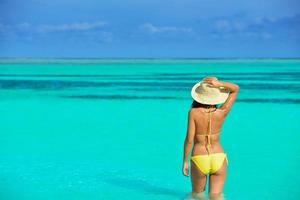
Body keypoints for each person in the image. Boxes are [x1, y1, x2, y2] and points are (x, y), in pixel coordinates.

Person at [182, 76, 240, 200]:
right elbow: (236, 89)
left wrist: (185, 161)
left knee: (198, 195)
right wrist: (219, 84)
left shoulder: (193, 113)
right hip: (219, 157)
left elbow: (189, 139)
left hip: (199, 157)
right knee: (217, 196)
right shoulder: (222, 112)